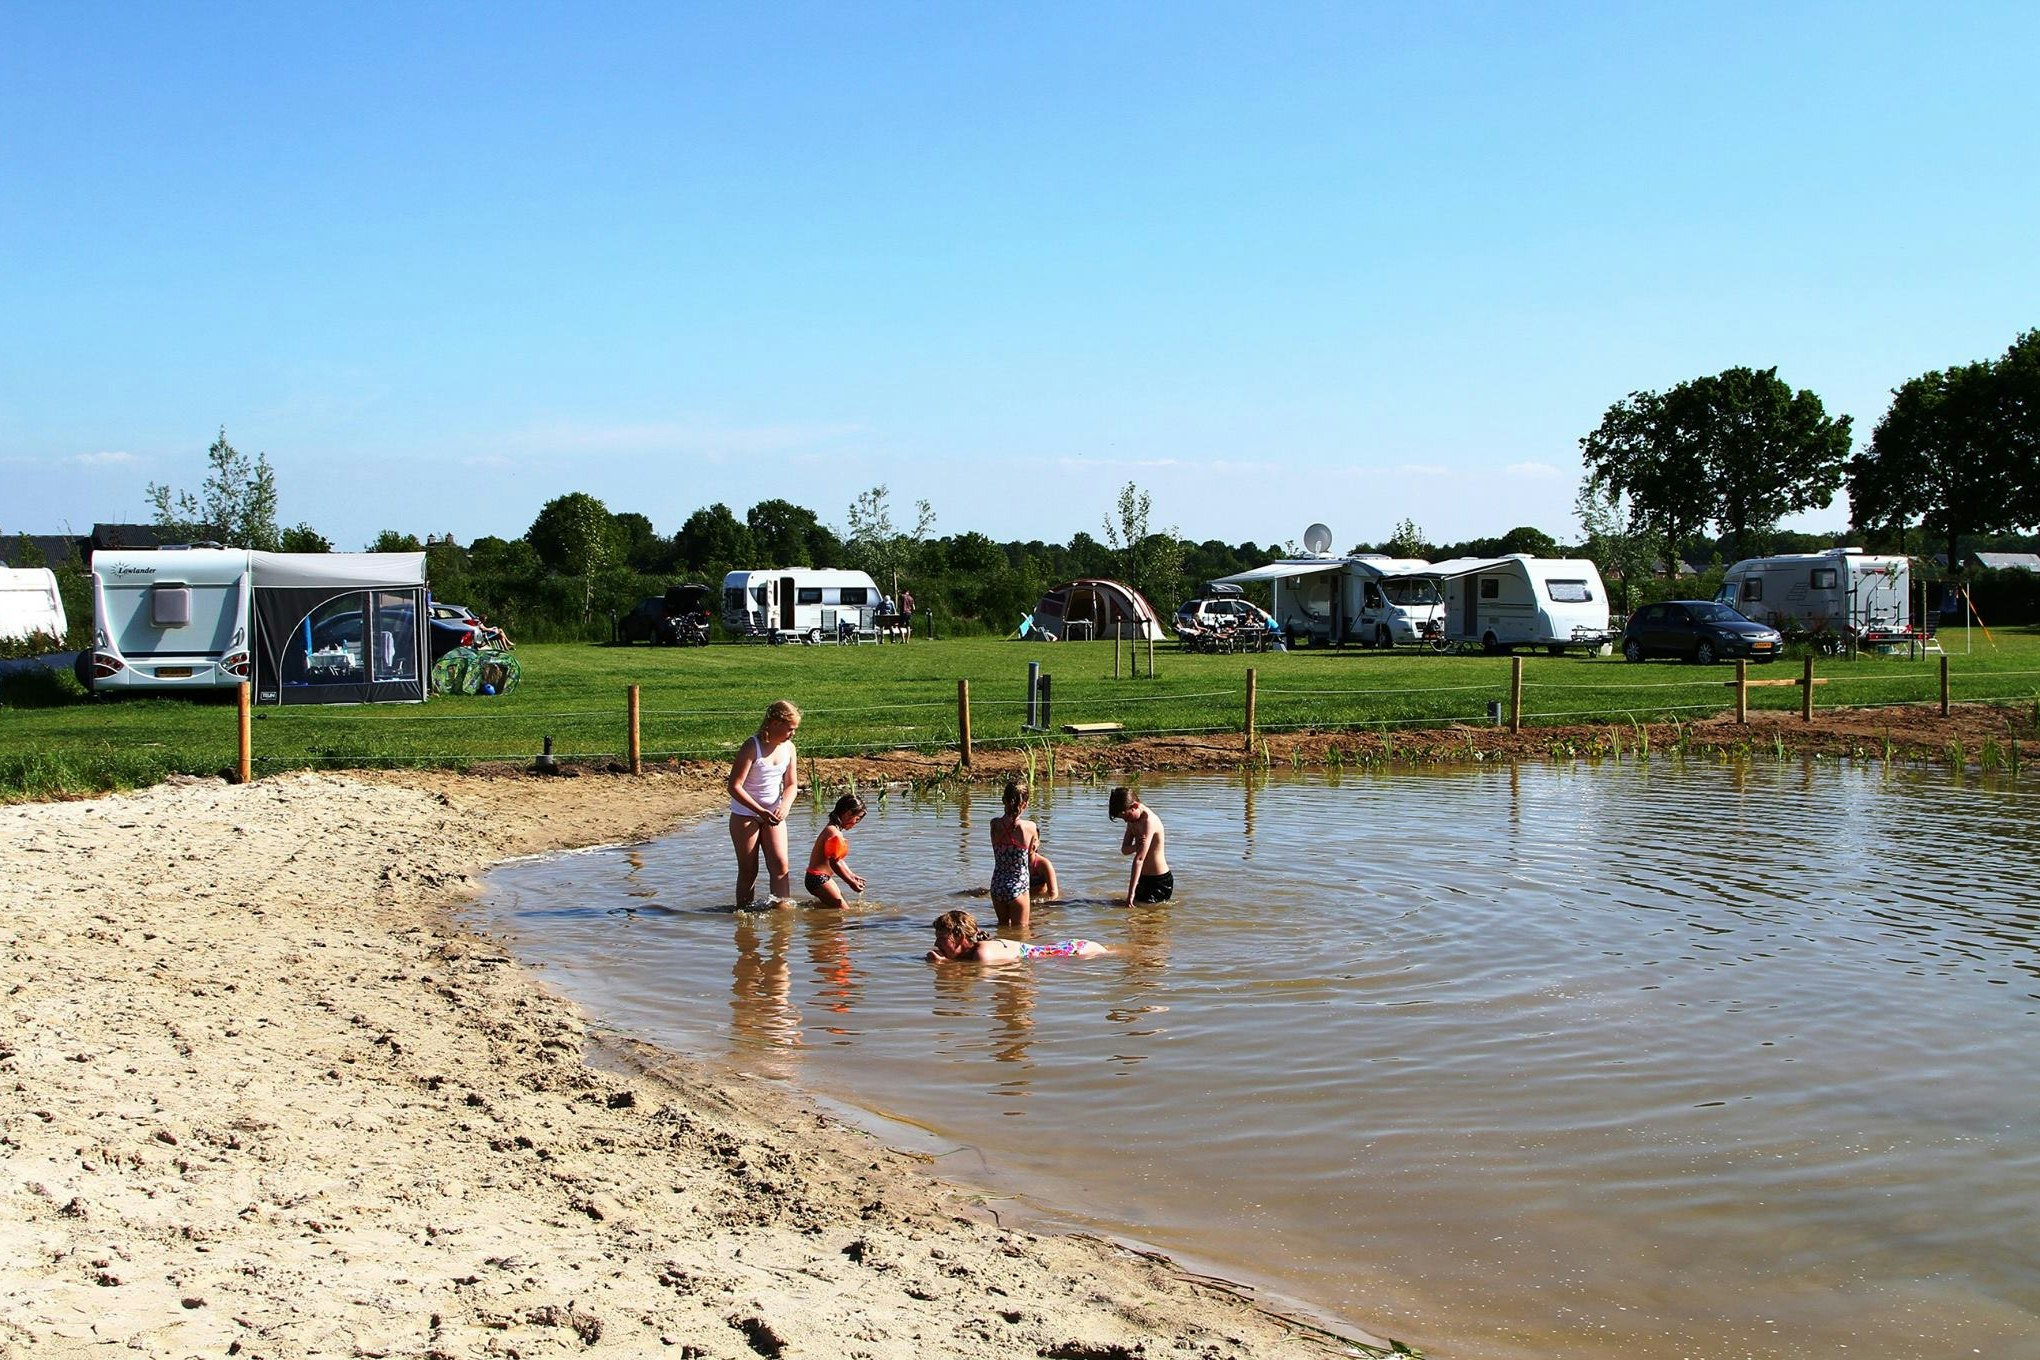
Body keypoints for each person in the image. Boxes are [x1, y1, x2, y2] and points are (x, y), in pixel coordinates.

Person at [727, 699, 801, 905]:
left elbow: (791, 784)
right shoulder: (753, 746)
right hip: (746, 814)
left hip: (774, 814)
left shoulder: (789, 748)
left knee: (780, 865)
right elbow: (734, 786)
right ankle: (743, 914)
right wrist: (759, 810)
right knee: (749, 869)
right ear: (775, 723)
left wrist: (784, 806)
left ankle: (781, 912)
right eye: (790, 729)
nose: (792, 734)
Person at [926, 909, 1106, 963]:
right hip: (1069, 948)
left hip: (1076, 952)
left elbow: (980, 972)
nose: (936, 943)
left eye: (942, 938)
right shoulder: (974, 952)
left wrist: (944, 964)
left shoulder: (983, 954)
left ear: (959, 938)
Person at [989, 780, 1051, 930]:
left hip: (997, 885)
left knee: (1002, 928)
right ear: (1025, 804)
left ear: (1003, 800)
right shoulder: (1029, 827)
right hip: (1018, 885)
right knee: (1020, 932)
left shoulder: (994, 824)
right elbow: (1031, 853)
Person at [1109, 786, 1172, 905]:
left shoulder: (1149, 821)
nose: (1126, 821)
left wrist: (1130, 895)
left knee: (1148, 919)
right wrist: (1135, 846)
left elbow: (1139, 859)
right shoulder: (1133, 820)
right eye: (1123, 819)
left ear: (1135, 806)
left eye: (1126, 817)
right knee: (1135, 916)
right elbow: (1124, 850)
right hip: (1142, 878)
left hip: (1159, 880)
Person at [803, 793, 867, 908]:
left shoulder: (834, 830)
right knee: (844, 910)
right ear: (848, 814)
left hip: (819, 877)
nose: (855, 824)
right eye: (856, 819)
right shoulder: (834, 833)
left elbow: (838, 859)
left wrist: (851, 875)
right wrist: (850, 882)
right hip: (818, 879)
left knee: (835, 907)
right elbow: (834, 862)